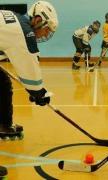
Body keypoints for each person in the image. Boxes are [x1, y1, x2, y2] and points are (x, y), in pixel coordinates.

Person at [0, 1, 58, 140]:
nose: (46, 34)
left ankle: (4, 124)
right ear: (38, 20)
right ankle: (4, 124)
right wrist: (39, 93)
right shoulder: (25, 32)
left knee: (2, 83)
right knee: (2, 84)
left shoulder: (14, 18)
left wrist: (35, 91)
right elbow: (30, 68)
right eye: (47, 29)